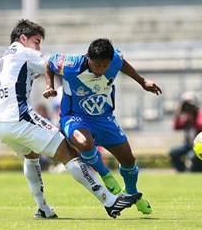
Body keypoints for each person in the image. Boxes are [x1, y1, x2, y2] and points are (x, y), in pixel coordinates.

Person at [0, 19, 141, 219]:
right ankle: (109, 201)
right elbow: (51, 62)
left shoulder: (0, 57)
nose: (38, 47)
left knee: (31, 155)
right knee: (68, 152)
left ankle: (42, 208)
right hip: (18, 115)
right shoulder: (26, 53)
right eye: (36, 41)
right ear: (23, 38)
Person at [43, 38, 162, 215]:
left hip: (104, 118)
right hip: (75, 117)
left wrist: (142, 81)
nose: (101, 70)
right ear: (88, 57)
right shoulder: (70, 65)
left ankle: (131, 193)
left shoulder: (114, 59)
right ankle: (105, 175)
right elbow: (48, 62)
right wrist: (49, 85)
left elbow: (121, 63)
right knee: (84, 143)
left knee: (129, 160)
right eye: (97, 65)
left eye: (105, 66)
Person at [169, 91, 202, 172]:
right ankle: (183, 172)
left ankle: (198, 171)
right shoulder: (186, 116)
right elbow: (176, 127)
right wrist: (179, 111)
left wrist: (192, 119)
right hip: (190, 145)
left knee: (192, 156)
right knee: (174, 152)